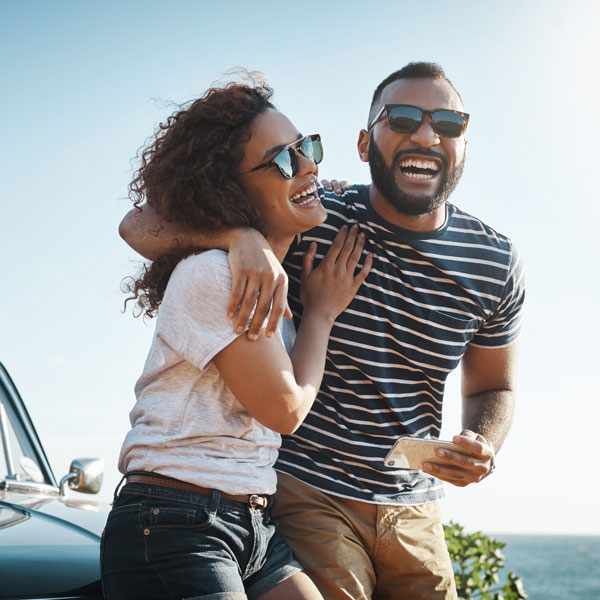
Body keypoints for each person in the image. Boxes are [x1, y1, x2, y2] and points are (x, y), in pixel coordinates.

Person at [119, 62, 525, 600]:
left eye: (448, 124)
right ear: (365, 142)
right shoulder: (312, 211)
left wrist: (483, 442)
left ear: (465, 144)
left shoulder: (494, 261)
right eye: (401, 117)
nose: (425, 135)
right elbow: (140, 224)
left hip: (414, 505)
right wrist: (239, 235)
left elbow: (494, 386)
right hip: (306, 490)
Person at [102, 76, 372, 600]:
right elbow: (285, 410)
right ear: (231, 188)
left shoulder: (264, 272)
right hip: (174, 523)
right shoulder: (214, 275)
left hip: (249, 524)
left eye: (308, 147)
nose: (310, 165)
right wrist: (320, 314)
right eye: (285, 160)